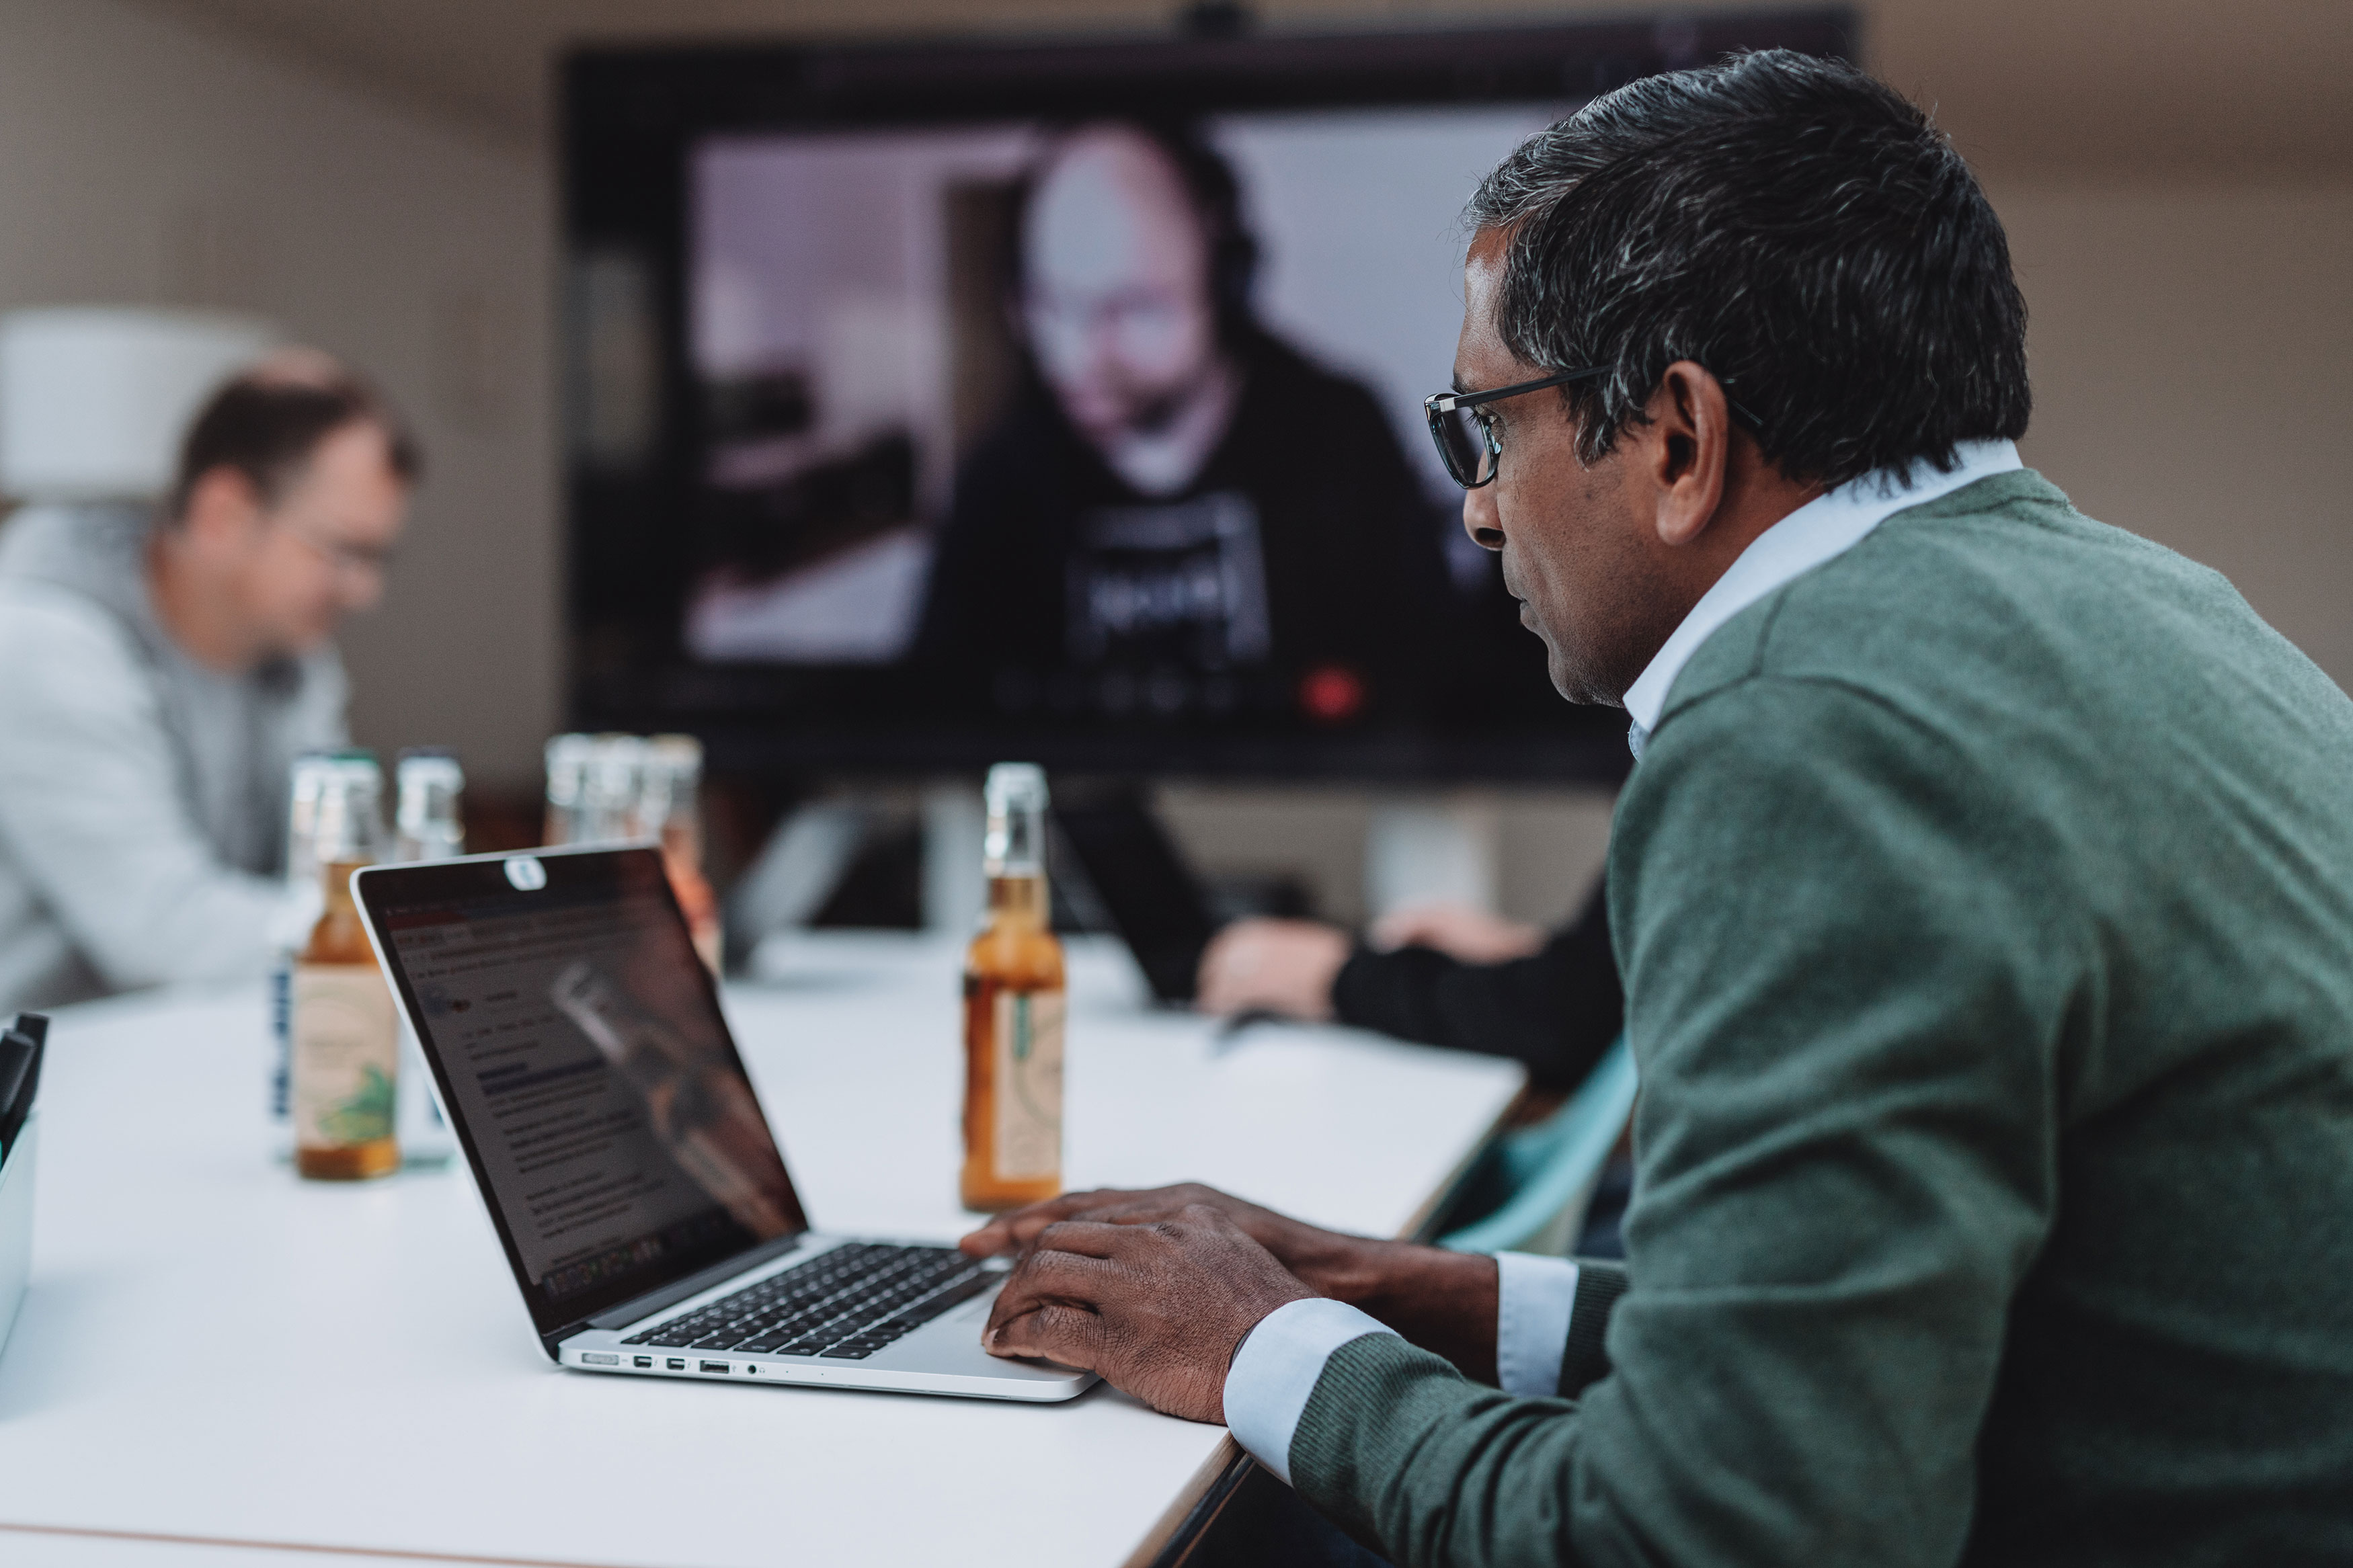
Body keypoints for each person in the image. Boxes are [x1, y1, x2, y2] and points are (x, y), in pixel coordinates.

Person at [959, 51, 2353, 1566]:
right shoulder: (2148, 602)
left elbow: (1718, 1531)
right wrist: (1408, 1290)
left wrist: (1262, 1349)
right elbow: (1889, 1315)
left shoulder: (1805, 728)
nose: (1479, 504)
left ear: (1677, 439)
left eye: (1486, 428)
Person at [914, 120, 1446, 728]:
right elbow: (937, 724)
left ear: (1227, 282)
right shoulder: (1001, 480)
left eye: (1136, 307)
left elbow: (1433, 707)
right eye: (1053, 304)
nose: (1082, 353)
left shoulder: (1339, 436)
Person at [0, 356, 418, 1012]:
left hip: (184, 1040)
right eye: (342, 551)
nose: (364, 591)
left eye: (375, 557)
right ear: (224, 513)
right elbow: (160, 931)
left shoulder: (288, 650)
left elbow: (346, 868)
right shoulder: (42, 637)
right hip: (48, 1070)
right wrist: (405, 932)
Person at [1197, 883, 1622, 1092]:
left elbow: (1567, 1021)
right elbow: (1616, 981)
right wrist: (1543, 956)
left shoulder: (1681, 743)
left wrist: (1333, 978)